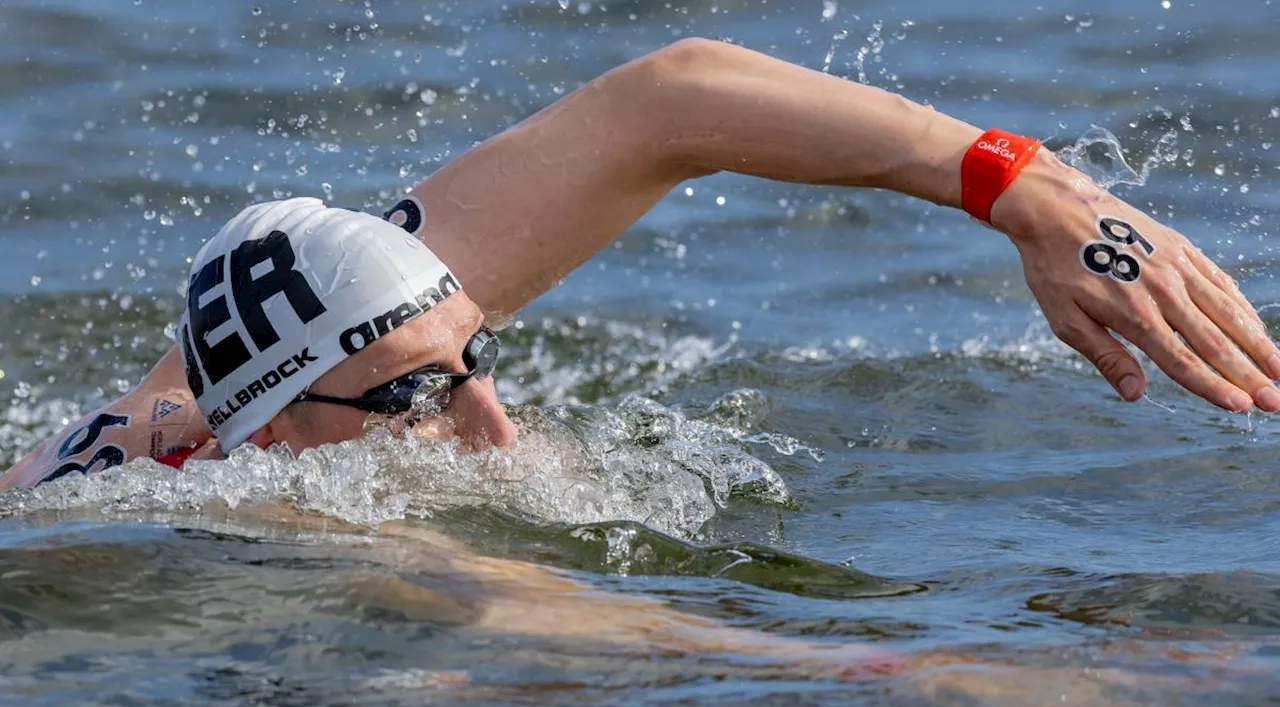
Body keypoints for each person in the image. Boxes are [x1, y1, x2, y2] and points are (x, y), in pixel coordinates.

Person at [3, 37, 1278, 486]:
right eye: (411, 402)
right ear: (267, 440)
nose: (490, 431)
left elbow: (666, 102)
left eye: (469, 364)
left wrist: (1026, 191)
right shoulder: (273, 503)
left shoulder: (297, 336)